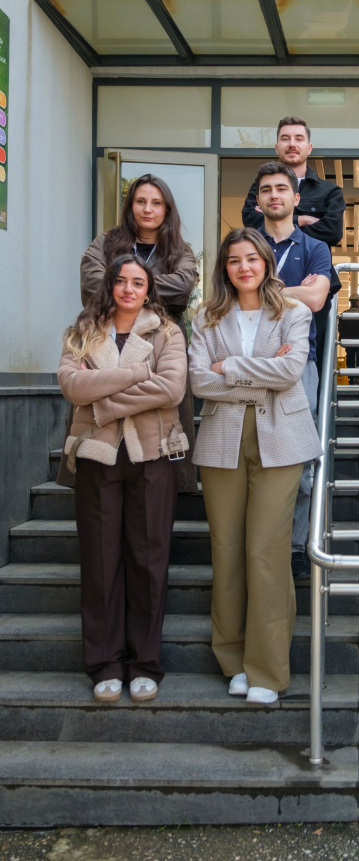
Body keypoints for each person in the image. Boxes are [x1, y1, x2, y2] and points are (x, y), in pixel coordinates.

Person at [189, 228, 323, 704]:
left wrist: (228, 366)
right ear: (224, 268)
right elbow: (199, 382)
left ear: (266, 262)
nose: (243, 267)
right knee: (226, 550)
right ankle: (233, 660)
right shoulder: (206, 316)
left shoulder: (294, 311)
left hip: (281, 438)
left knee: (267, 551)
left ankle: (267, 669)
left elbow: (290, 372)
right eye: (234, 260)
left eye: (252, 258)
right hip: (221, 439)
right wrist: (257, 370)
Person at [57, 255, 189, 704]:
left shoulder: (167, 331)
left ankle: (145, 664)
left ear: (149, 290)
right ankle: (104, 664)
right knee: (99, 562)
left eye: (138, 282)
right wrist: (138, 373)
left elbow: (171, 389)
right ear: (109, 286)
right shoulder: (83, 331)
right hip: (96, 455)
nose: (129, 289)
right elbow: (72, 385)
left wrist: (104, 397)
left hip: (152, 455)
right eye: (121, 281)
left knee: (149, 562)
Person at [67, 173, 199, 492]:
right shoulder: (106, 242)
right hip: (106, 338)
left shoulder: (179, 249)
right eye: (140, 201)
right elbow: (91, 283)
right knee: (97, 396)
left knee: (162, 417)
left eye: (156, 203)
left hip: (160, 342)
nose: (147, 209)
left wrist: (126, 285)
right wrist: (144, 288)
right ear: (130, 206)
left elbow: (183, 288)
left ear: (167, 209)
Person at [253, 160, 331, 580]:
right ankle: (261, 543)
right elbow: (234, 294)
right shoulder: (247, 244)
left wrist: (263, 290)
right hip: (251, 360)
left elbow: (317, 300)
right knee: (256, 453)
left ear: (296, 197)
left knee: (301, 457)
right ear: (258, 199)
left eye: (281, 188)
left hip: (301, 362)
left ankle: (298, 545)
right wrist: (292, 292)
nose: (274, 195)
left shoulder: (315, 248)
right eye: (266, 189)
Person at [241, 116, 345, 382]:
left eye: (299, 138)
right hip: (272, 277)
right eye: (285, 138)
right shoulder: (258, 185)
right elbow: (250, 221)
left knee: (311, 359)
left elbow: (333, 231)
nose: (292, 144)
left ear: (309, 147)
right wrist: (301, 219)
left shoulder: (329, 190)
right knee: (261, 354)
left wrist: (286, 224)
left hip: (310, 274)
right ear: (276, 146)